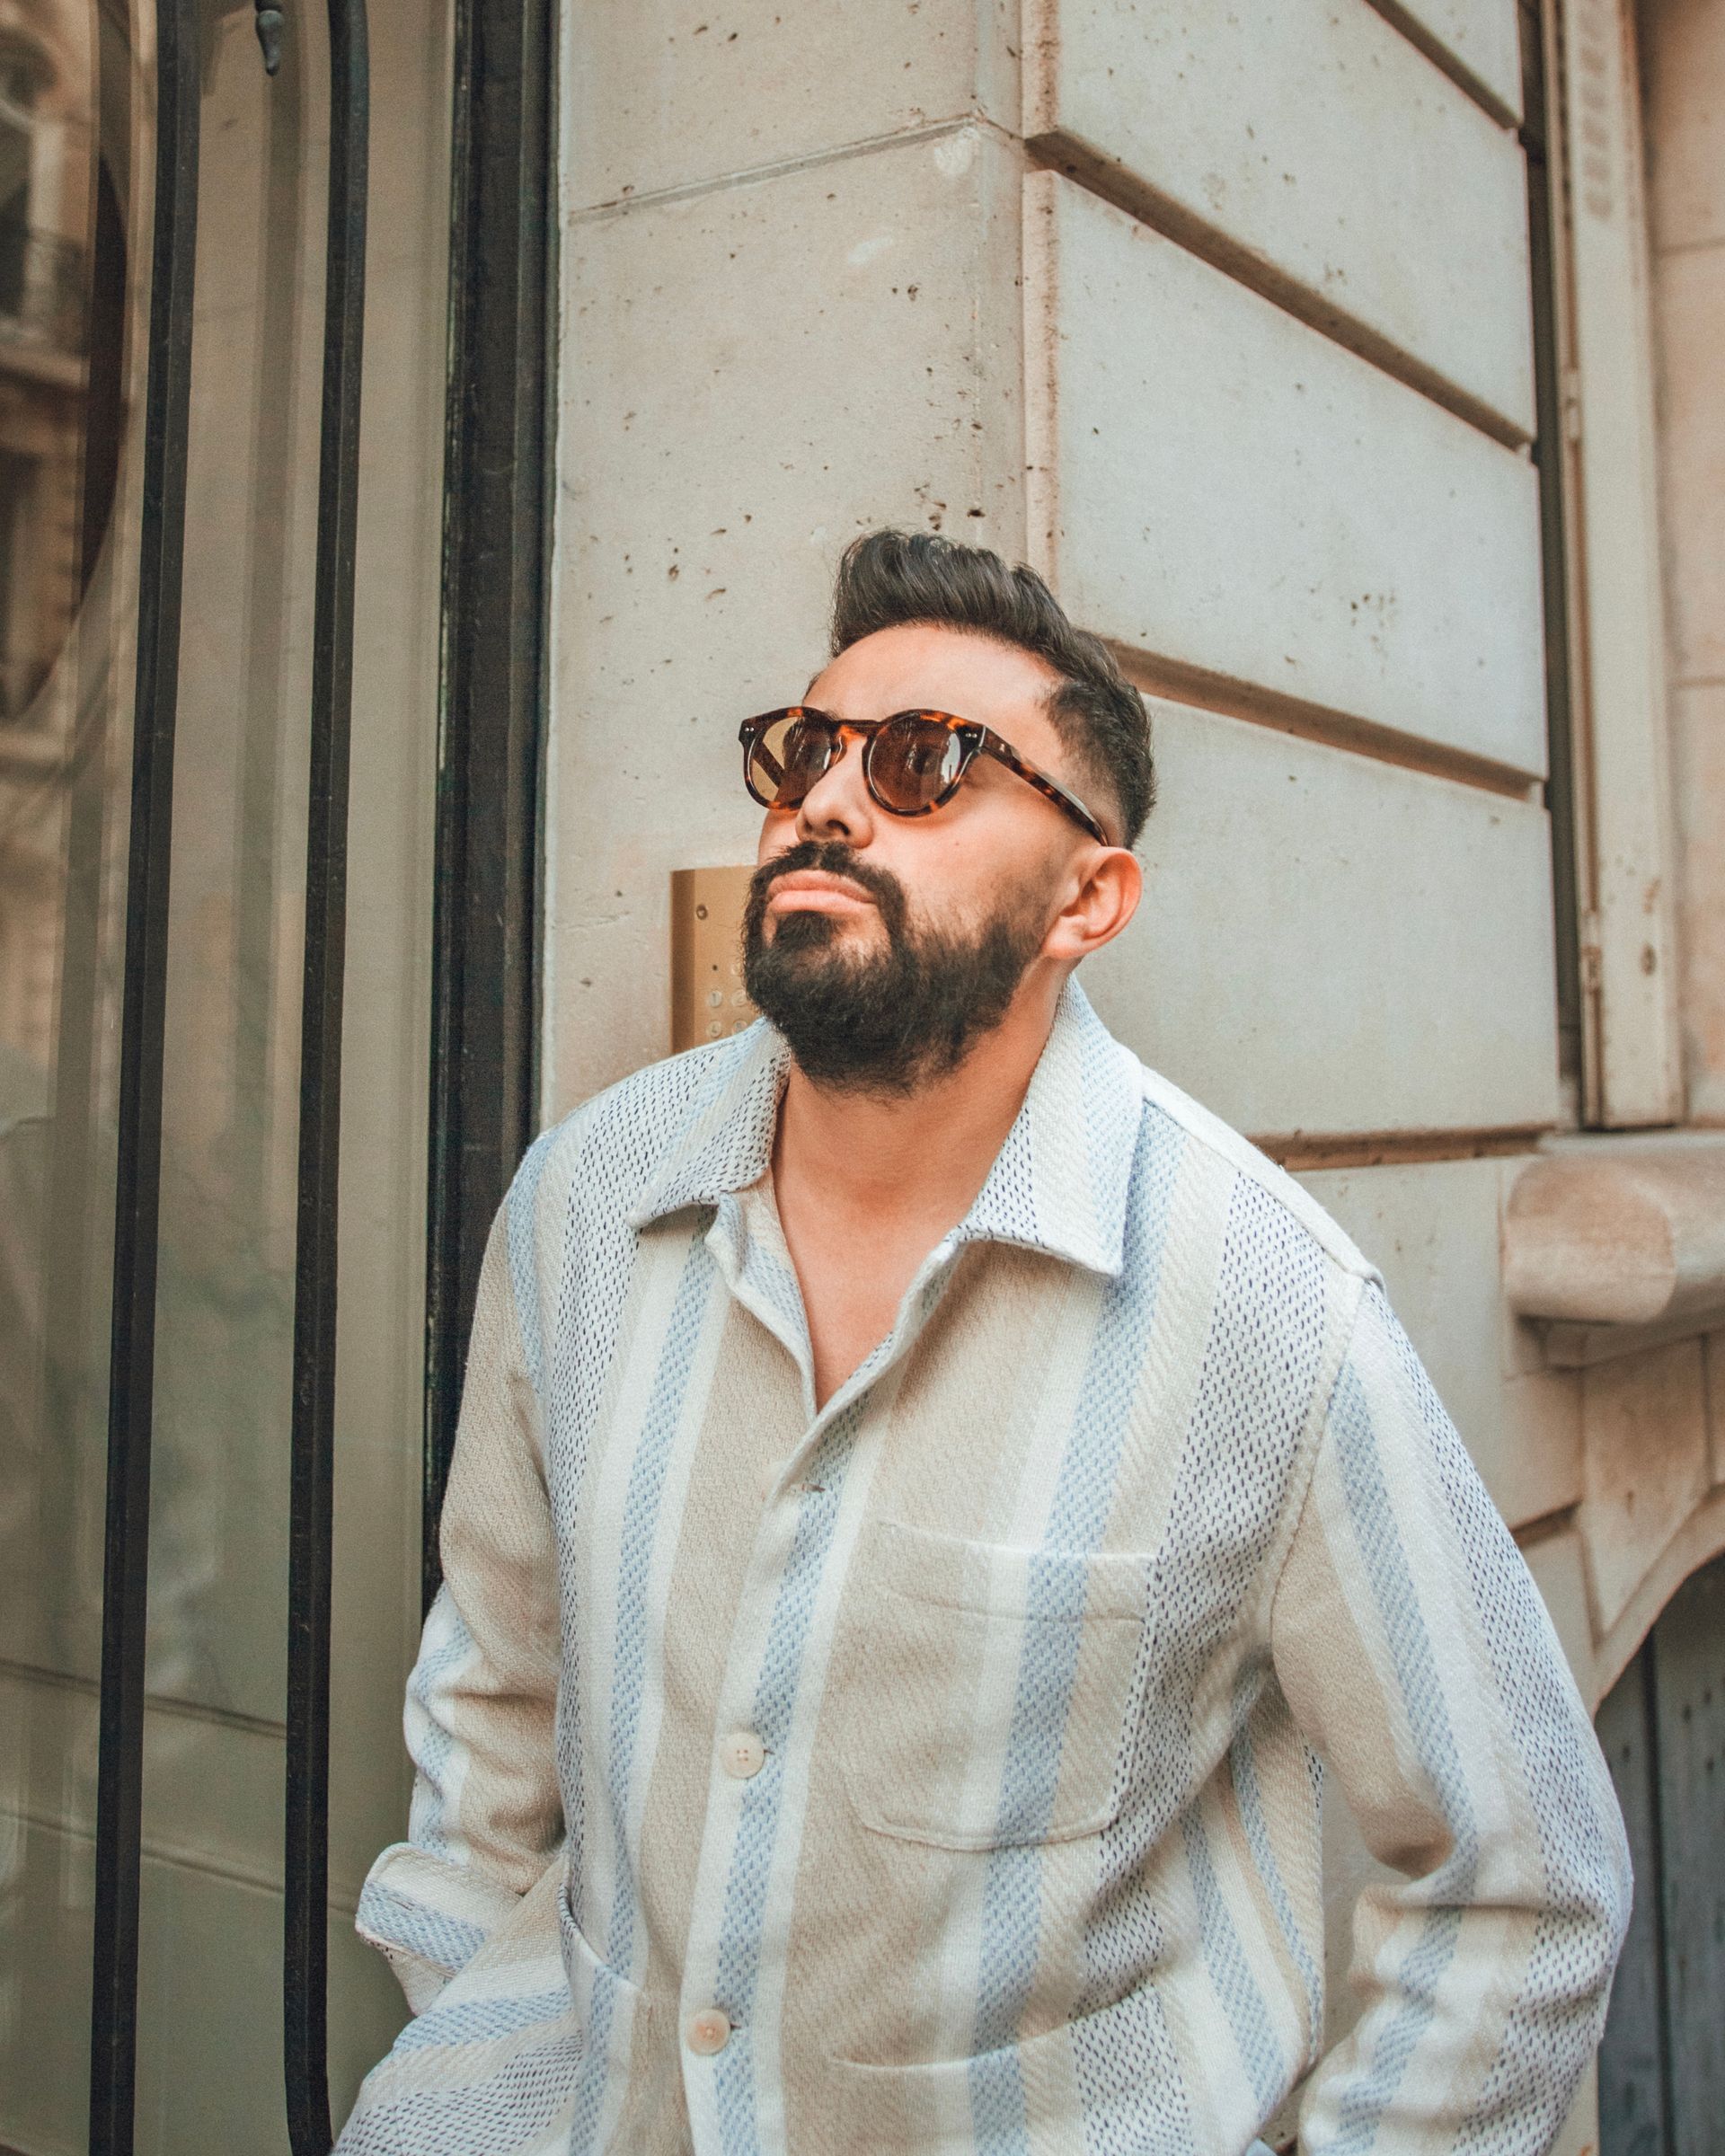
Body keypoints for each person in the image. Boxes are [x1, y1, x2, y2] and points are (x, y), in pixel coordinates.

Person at [337, 530, 1630, 2155]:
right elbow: (495, 1689)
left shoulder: (1265, 1310)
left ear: (1088, 895)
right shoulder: (584, 1202)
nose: (826, 800)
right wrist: (467, 2033)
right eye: (807, 752)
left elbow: (1523, 1881)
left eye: (925, 765)